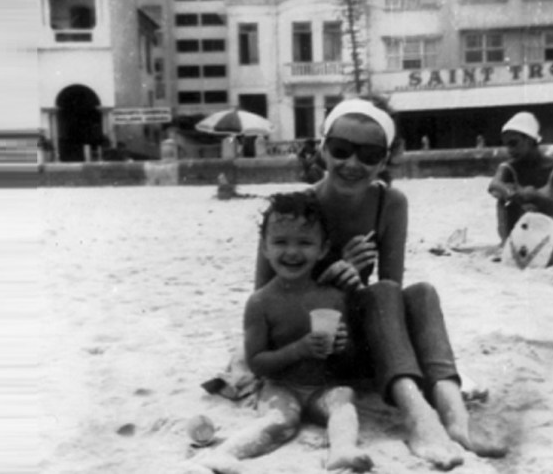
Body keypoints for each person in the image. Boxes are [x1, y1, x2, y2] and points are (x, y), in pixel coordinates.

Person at [255, 97, 508, 470]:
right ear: (323, 149)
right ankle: (419, 417)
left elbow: (389, 294)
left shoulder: (390, 203)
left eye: (369, 155)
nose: (352, 164)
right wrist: (331, 278)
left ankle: (455, 416)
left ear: (385, 160)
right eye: (341, 150)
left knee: (420, 293)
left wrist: (353, 282)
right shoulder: (295, 208)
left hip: (366, 344)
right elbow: (263, 304)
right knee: (386, 292)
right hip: (315, 346)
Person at [196, 191, 373, 474]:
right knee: (282, 420)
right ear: (265, 248)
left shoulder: (334, 297)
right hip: (280, 385)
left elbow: (347, 359)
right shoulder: (260, 302)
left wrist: (342, 346)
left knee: (343, 399)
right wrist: (299, 349)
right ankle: (224, 454)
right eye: (280, 242)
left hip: (322, 387)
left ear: (323, 249)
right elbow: (257, 363)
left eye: (305, 242)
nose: (292, 252)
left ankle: (342, 451)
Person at [487, 112, 553, 249]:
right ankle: (506, 243)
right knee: (502, 197)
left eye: (513, 143)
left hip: (547, 234)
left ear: (530, 140)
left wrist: (534, 197)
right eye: (507, 145)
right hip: (517, 235)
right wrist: (513, 194)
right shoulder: (508, 167)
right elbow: (493, 185)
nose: (509, 150)